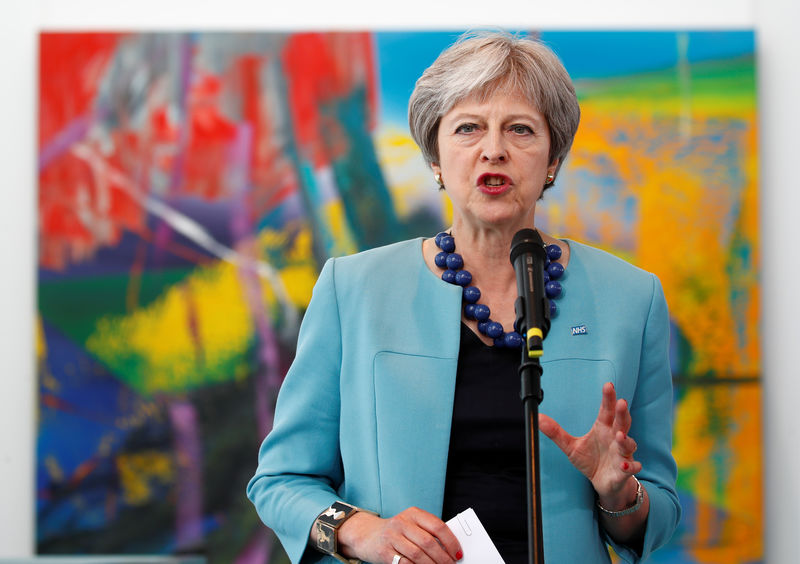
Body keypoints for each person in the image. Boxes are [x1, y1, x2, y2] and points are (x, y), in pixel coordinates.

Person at [247, 31, 680, 564]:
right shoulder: (352, 289)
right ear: (435, 155)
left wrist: (621, 495)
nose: (492, 149)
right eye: (468, 127)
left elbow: (656, 510)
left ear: (552, 158)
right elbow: (281, 481)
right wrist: (363, 532)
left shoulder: (632, 299)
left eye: (520, 129)